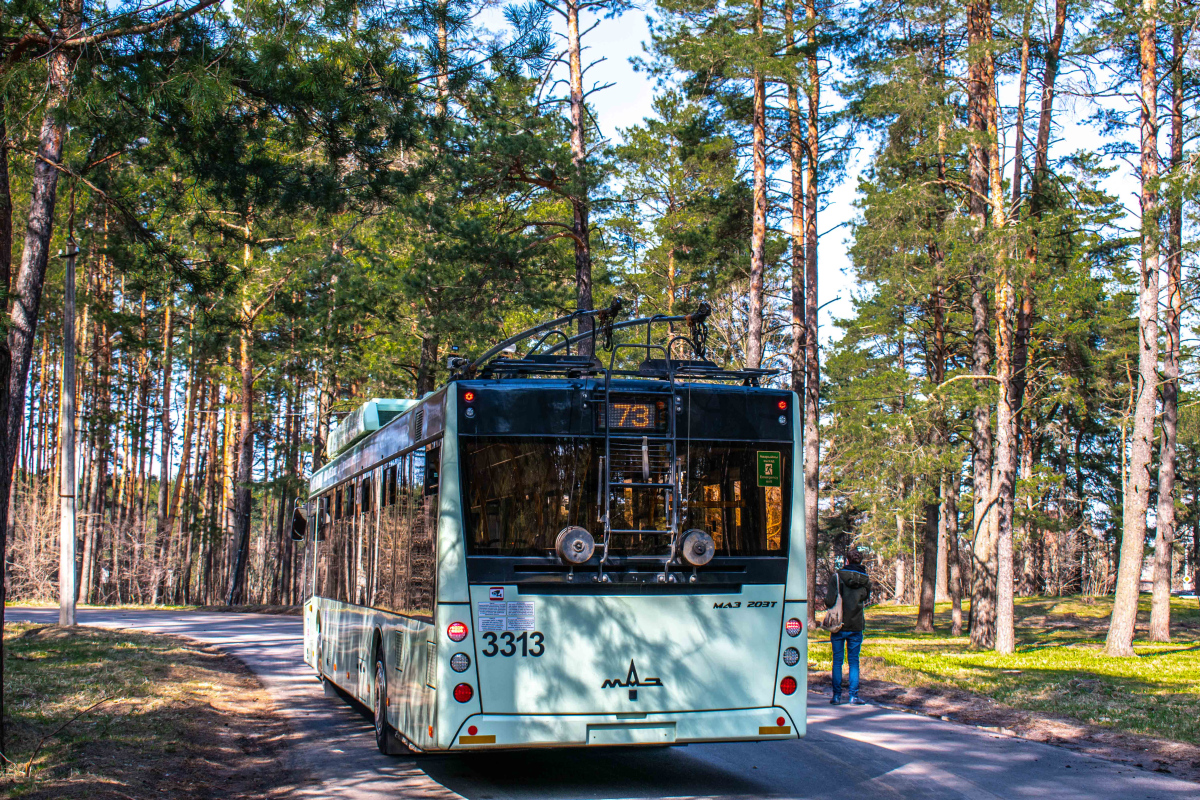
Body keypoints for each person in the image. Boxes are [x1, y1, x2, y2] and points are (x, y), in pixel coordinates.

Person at [825, 550, 871, 705]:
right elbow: (865, 598)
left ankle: (837, 696)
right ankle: (854, 696)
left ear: (847, 560)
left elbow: (829, 601)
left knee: (837, 661)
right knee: (854, 662)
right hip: (856, 625)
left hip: (838, 625)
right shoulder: (865, 580)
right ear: (860, 561)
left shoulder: (837, 577)